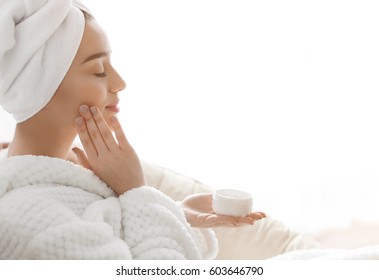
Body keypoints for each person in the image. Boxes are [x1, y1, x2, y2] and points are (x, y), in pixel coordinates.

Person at [0, 0, 265, 259]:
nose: (120, 83)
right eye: (99, 70)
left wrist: (175, 211)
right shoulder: (36, 226)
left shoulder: (66, 171)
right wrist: (136, 191)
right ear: (38, 89)